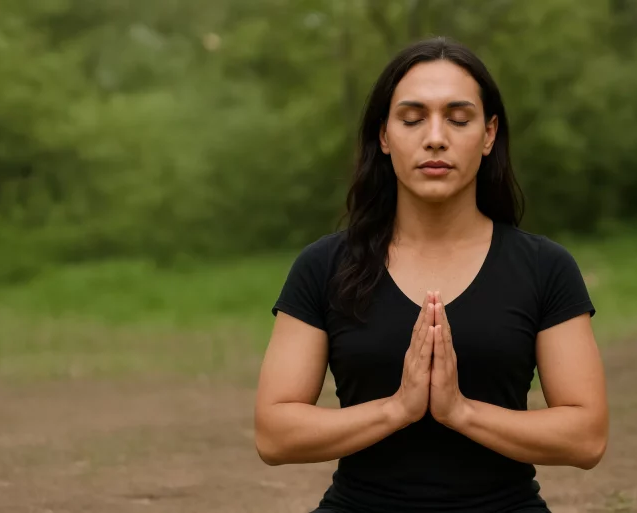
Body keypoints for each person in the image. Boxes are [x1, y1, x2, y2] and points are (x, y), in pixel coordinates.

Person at [254, 36, 609, 513]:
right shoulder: (324, 267)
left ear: (488, 135)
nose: (435, 137)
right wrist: (396, 409)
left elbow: (586, 438)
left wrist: (460, 413)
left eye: (459, 119)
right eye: (412, 118)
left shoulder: (545, 268)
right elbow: (275, 435)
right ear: (384, 136)